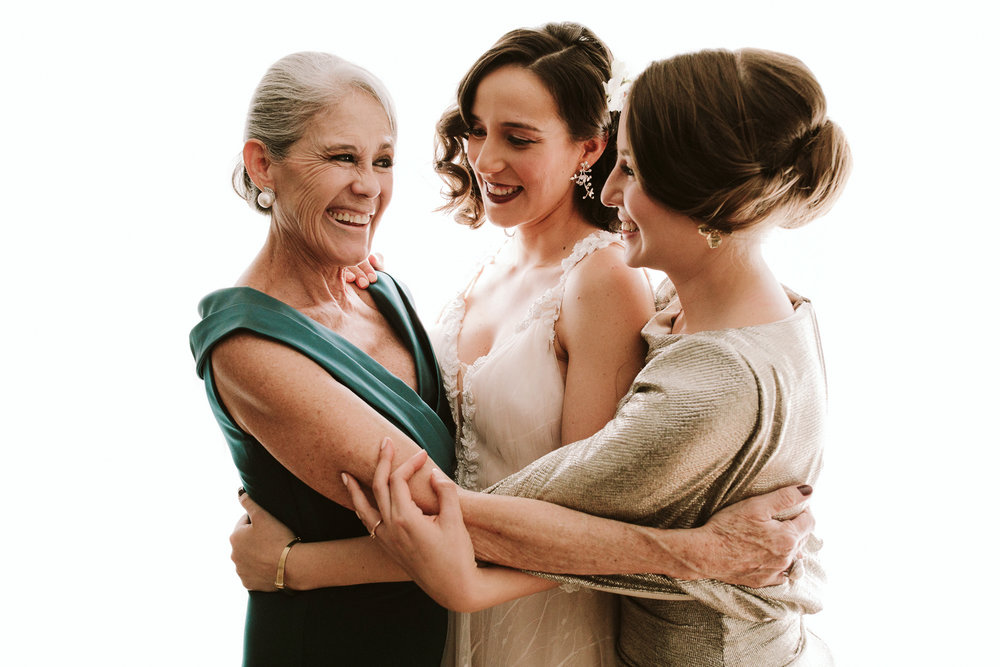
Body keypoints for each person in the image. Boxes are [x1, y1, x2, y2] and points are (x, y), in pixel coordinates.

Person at [198, 49, 814, 667]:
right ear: (261, 164)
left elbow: (556, 509)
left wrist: (293, 566)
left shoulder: (610, 284)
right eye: (476, 129)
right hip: (377, 630)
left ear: (588, 150)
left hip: (518, 608)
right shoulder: (394, 291)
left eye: (382, 160)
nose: (486, 159)